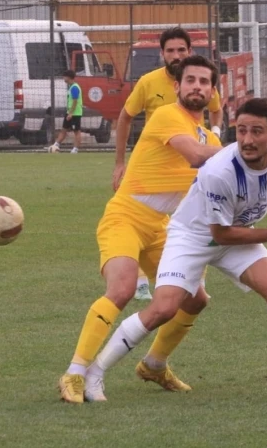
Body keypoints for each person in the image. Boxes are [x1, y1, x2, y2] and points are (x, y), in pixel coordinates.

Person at [86, 98, 267, 402]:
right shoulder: (219, 171)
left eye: (256, 131)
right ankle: (95, 374)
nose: (248, 140)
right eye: (241, 131)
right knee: (163, 309)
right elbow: (220, 234)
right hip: (194, 237)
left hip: (235, 233)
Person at [58, 55, 223, 404]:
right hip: (126, 216)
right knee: (122, 288)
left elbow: (227, 178)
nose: (196, 86)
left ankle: (154, 364)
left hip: (163, 227)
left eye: (204, 82)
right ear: (177, 87)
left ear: (212, 92)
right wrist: (247, 152)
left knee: (195, 299)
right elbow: (194, 156)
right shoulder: (167, 117)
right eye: (190, 80)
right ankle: (74, 373)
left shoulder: (210, 136)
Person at [114, 27, 224, 299]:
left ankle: (194, 281)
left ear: (190, 51)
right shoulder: (149, 82)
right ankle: (139, 279)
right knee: (139, 217)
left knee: (198, 221)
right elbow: (126, 116)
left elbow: (216, 109)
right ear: (161, 53)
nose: (176, 55)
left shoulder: (198, 79)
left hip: (191, 165)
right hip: (156, 165)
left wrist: (217, 137)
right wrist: (120, 162)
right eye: (170, 50)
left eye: (181, 50)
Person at [48, 70, 83, 154]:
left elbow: (75, 101)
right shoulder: (70, 86)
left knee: (76, 131)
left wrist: (71, 113)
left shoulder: (74, 87)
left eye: (64, 76)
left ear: (68, 77)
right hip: (69, 112)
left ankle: (75, 149)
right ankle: (56, 145)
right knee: (63, 129)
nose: (63, 78)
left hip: (75, 114)